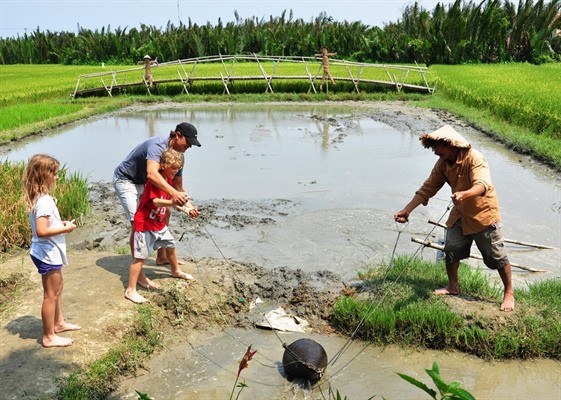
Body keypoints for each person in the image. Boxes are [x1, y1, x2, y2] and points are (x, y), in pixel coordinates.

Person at [394, 125, 515, 312]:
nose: (435, 152)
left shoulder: (475, 158)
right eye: (433, 147)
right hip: (460, 213)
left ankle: (509, 293)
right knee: (451, 248)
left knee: (496, 256)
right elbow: (428, 189)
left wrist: (465, 194)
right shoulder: (443, 164)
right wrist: (407, 210)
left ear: (450, 145)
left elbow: (483, 184)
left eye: (437, 147)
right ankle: (453, 286)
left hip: (483, 213)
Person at [113, 122, 201, 290]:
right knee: (136, 222)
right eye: (187, 142)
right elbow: (152, 174)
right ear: (177, 135)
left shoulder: (177, 157)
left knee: (165, 214)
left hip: (146, 182)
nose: (189, 146)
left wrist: (189, 207)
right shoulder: (157, 146)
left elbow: (178, 187)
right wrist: (174, 196)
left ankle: (162, 257)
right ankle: (139, 275)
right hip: (127, 179)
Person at [125, 148, 199, 304]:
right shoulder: (155, 182)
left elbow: (173, 202)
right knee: (140, 257)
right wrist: (172, 202)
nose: (175, 171)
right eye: (173, 168)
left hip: (158, 223)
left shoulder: (169, 181)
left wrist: (187, 209)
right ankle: (130, 290)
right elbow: (155, 202)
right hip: (144, 224)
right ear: (164, 165)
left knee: (170, 244)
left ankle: (175, 270)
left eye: (178, 169)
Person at [22, 154, 81, 348]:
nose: (57, 177)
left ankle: (59, 323)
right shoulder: (45, 201)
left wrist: (60, 223)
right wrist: (66, 228)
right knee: (51, 294)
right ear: (43, 176)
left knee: (57, 288)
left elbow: (46, 225)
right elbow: (42, 230)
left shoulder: (39, 198)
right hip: (47, 252)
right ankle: (49, 336)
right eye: (54, 174)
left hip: (46, 251)